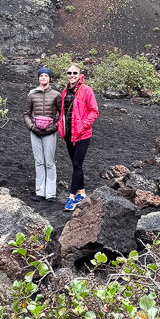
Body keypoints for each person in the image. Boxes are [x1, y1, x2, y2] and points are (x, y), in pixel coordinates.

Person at [57, 62, 99, 212]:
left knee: (76, 164)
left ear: (80, 75)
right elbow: (63, 111)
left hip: (82, 134)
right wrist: (61, 126)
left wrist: (83, 125)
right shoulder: (64, 91)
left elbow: (94, 111)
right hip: (69, 134)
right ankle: (81, 192)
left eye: (75, 73)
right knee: (77, 165)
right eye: (69, 73)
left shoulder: (86, 90)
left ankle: (71, 198)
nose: (72, 76)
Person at [24, 66, 60, 201]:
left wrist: (52, 129)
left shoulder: (56, 95)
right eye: (41, 75)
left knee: (50, 162)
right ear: (38, 78)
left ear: (49, 78)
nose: (43, 77)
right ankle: (40, 192)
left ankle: (51, 194)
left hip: (49, 133)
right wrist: (32, 127)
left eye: (46, 75)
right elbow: (26, 114)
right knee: (39, 161)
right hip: (35, 132)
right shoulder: (32, 94)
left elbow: (61, 115)